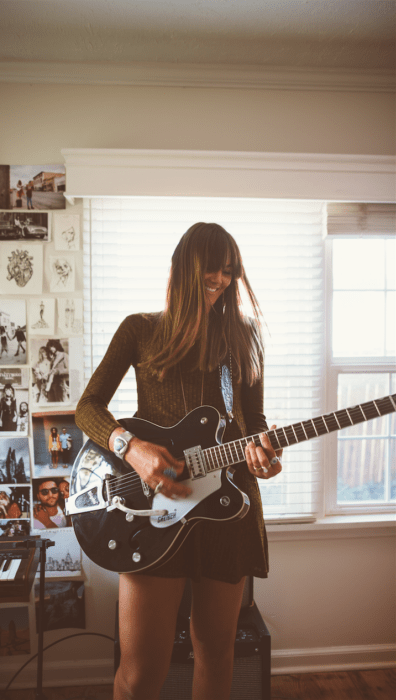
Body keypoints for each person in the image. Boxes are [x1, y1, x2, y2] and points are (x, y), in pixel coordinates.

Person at [74, 222, 283, 700]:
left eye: (229, 271)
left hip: (227, 510)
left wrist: (263, 458)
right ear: (182, 269)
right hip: (153, 511)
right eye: (212, 269)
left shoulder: (244, 338)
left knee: (216, 651)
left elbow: (253, 422)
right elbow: (88, 408)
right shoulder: (141, 329)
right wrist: (131, 446)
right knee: (141, 671)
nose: (221, 279)